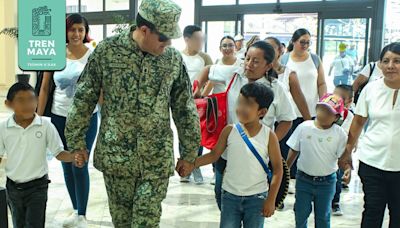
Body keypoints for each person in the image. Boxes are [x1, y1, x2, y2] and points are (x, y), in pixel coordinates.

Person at [64, 0, 201, 227]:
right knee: (122, 222)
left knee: (145, 222)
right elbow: (84, 98)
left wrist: (189, 153)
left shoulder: (172, 59)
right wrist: (76, 142)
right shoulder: (107, 52)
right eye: (163, 38)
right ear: (144, 30)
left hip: (155, 158)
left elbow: (184, 107)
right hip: (116, 156)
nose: (167, 44)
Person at [194, 41, 296, 210]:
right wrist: (196, 88)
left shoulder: (277, 88)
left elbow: (287, 120)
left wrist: (270, 142)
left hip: (255, 156)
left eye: (256, 61)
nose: (249, 64)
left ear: (268, 65)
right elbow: (207, 70)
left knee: (252, 203)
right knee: (223, 198)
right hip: (226, 150)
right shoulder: (233, 74)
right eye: (247, 58)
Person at [179, 83, 283, 228]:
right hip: (230, 197)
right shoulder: (229, 131)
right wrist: (192, 164)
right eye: (240, 102)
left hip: (257, 198)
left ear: (262, 112)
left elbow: (278, 170)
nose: (241, 108)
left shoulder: (269, 136)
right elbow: (214, 155)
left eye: (248, 105)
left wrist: (271, 200)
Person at [37, 13, 99, 227]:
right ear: (66, 31)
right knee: (66, 163)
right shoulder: (55, 54)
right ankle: (75, 210)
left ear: (85, 32)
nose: (76, 34)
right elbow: (44, 87)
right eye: (72, 29)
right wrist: (38, 117)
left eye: (80, 30)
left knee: (80, 163)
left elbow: (100, 89)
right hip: (58, 115)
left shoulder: (92, 55)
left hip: (86, 118)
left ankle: (82, 215)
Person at [0, 83, 87, 228]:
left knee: (35, 224)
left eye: (31, 99)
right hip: (13, 188)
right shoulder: (3, 128)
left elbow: (59, 153)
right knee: (18, 223)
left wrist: (73, 157)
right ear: (8, 104)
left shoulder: (45, 125)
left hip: (38, 187)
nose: (27, 104)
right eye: (21, 100)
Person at [339, 42, 400, 228]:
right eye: (386, 61)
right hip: (372, 161)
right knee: (373, 210)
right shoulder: (371, 89)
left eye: (397, 61)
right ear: (379, 64)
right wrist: (347, 152)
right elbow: (358, 122)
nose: (390, 66)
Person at [286, 93, 348, 228]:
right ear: (316, 108)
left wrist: (347, 169)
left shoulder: (339, 133)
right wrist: (285, 171)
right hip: (304, 180)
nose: (324, 114)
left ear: (336, 117)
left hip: (327, 182)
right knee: (301, 213)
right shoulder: (304, 127)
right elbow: (294, 149)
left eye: (329, 112)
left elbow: (343, 157)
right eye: (322, 109)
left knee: (323, 216)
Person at [280, 28, 327, 180]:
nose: (305, 45)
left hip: (311, 111)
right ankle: (287, 177)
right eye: (302, 42)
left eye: (308, 42)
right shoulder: (284, 59)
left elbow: (321, 83)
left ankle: (303, 176)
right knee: (288, 147)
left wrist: (323, 101)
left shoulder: (314, 59)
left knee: (307, 146)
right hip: (290, 112)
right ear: (293, 42)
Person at [180, 25, 213, 184]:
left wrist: (201, 94)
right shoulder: (178, 57)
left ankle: (195, 165)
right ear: (187, 40)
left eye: (202, 39)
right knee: (183, 134)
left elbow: (211, 78)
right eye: (198, 39)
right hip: (181, 102)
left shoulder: (205, 58)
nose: (201, 42)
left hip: (200, 103)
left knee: (197, 135)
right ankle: (184, 167)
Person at [331, 84, 354, 216]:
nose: (337, 100)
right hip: (326, 151)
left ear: (349, 101)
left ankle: (335, 202)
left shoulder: (350, 117)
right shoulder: (328, 111)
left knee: (338, 177)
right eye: (335, 96)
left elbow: (351, 136)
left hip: (340, 153)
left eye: (341, 98)